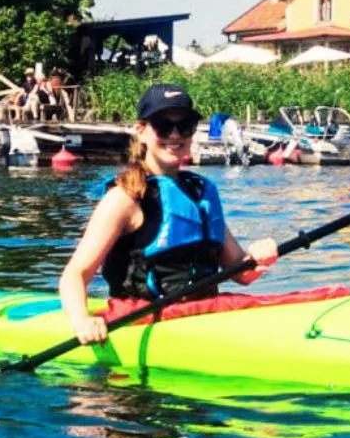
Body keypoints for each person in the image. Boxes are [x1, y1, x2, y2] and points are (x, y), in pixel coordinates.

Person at [57, 83, 281, 344]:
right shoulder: (124, 198)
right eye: (163, 126)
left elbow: (240, 272)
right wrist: (82, 320)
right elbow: (74, 275)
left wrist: (258, 258)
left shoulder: (200, 192)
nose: (175, 135)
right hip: (143, 319)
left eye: (184, 126)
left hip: (205, 313)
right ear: (141, 131)